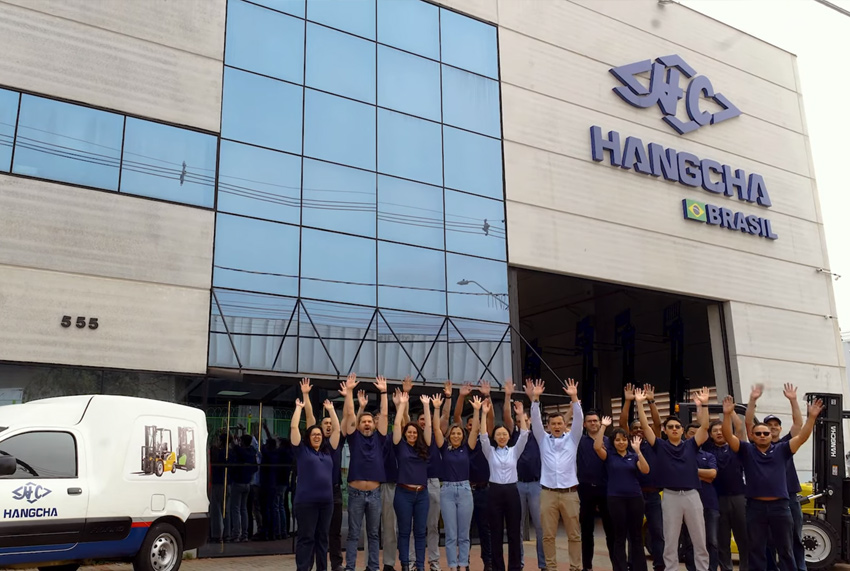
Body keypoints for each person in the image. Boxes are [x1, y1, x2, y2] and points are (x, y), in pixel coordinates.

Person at [723, 394, 823, 571]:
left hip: (780, 507)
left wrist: (812, 417)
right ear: (752, 436)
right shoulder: (746, 450)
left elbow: (801, 436)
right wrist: (726, 415)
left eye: (766, 433)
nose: (762, 435)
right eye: (759, 433)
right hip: (755, 508)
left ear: (771, 435)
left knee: (786, 549)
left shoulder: (782, 449)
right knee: (756, 549)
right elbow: (728, 436)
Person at [635, 386, 710, 571]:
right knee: (670, 540)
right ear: (665, 430)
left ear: (683, 430)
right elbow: (645, 426)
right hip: (670, 496)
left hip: (692, 495)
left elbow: (705, 427)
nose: (674, 429)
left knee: (700, 539)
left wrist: (704, 405)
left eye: (677, 427)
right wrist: (639, 403)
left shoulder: (691, 445)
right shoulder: (659, 445)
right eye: (670, 427)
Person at [746, 383, 806, 571]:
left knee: (794, 538)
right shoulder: (755, 447)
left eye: (775, 426)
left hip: (789, 498)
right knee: (766, 542)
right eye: (768, 426)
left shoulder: (786, 444)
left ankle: (799, 568)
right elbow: (748, 423)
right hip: (762, 502)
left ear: (780, 429)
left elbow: (798, 425)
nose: (771, 429)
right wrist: (752, 400)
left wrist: (793, 400)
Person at [527, 378, 583, 571]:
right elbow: (535, 420)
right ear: (549, 426)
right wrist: (535, 398)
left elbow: (579, 419)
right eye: (553, 424)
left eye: (560, 423)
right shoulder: (543, 440)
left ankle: (575, 567)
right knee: (548, 535)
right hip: (548, 493)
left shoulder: (573, 439)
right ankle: (551, 568)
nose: (557, 426)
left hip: (570, 493)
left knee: (574, 534)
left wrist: (574, 397)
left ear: (565, 424)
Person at [341, 374, 389, 571]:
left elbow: (384, 415)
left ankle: (373, 567)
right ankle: (350, 567)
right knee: (353, 534)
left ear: (374, 424)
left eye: (370, 421)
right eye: (364, 422)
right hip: (356, 493)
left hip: (375, 494)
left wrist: (384, 392)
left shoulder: (380, 438)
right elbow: (349, 414)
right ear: (359, 425)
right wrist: (349, 391)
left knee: (374, 534)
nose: (367, 424)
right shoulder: (354, 438)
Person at [593, 416, 650, 571]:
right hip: (615, 499)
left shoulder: (633, 456)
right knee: (619, 536)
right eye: (617, 440)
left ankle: (639, 568)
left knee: (636, 536)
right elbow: (597, 447)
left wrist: (638, 451)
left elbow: (646, 470)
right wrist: (603, 426)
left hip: (635, 498)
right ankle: (620, 568)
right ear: (613, 442)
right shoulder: (609, 456)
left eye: (624, 439)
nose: (621, 442)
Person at [479, 397, 529, 571]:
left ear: (509, 436)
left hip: (512, 492)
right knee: (496, 533)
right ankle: (498, 567)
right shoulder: (490, 452)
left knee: (514, 532)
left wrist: (520, 414)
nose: (501, 436)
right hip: (494, 493)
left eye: (504, 434)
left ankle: (515, 567)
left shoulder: (514, 451)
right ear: (494, 436)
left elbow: (524, 435)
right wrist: (484, 414)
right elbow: (483, 436)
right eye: (498, 434)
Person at [291, 398, 341, 571]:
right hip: (306, 503)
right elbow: (294, 428)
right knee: (306, 538)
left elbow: (337, 430)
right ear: (308, 437)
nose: (317, 436)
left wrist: (331, 410)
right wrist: (299, 408)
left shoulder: (328, 451)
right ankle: (303, 568)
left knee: (323, 538)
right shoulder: (302, 451)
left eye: (319, 434)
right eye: (313, 434)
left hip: (326, 503)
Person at [619, 384, 664, 571]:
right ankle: (633, 564)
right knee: (634, 532)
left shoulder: (654, 443)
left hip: (653, 495)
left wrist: (650, 401)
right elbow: (622, 423)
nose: (639, 430)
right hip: (634, 495)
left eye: (641, 427)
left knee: (657, 531)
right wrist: (628, 401)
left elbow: (657, 424)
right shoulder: (627, 445)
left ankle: (659, 564)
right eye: (635, 428)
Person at [434, 393, 480, 571]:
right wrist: (437, 408)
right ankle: (453, 566)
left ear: (462, 435)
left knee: (464, 534)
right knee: (451, 533)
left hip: (465, 490)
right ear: (449, 435)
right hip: (447, 490)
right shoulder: (444, 449)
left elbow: (475, 430)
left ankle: (463, 564)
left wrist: (477, 411)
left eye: (458, 433)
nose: (455, 436)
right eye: (453, 433)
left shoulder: (467, 448)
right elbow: (437, 429)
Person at [302, 378, 345, 568]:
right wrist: (305, 395)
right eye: (324, 423)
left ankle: (335, 564)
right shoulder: (314, 444)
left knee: (334, 532)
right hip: (314, 493)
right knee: (314, 533)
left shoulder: (334, 444)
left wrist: (331, 411)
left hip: (333, 492)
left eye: (330, 423)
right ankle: (309, 565)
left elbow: (338, 427)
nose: (328, 425)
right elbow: (309, 418)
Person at [502, 380, 545, 571]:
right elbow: (506, 416)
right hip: (517, 485)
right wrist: (507, 396)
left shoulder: (537, 435)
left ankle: (543, 564)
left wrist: (533, 397)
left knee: (540, 527)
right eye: (519, 420)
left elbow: (536, 416)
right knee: (516, 527)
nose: (522, 423)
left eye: (525, 420)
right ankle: (517, 564)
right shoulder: (513, 434)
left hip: (536, 485)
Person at [392, 391, 434, 571]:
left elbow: (429, 426)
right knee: (404, 531)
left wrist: (426, 405)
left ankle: (420, 566)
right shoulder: (400, 446)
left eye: (414, 432)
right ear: (405, 433)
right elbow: (396, 424)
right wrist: (401, 405)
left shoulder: (424, 446)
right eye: (409, 432)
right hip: (403, 493)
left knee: (420, 532)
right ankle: (405, 565)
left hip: (422, 494)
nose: (412, 434)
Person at [456, 382, 496, 571]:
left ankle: (488, 562)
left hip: (484, 490)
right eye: (470, 424)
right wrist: (461, 396)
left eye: (477, 424)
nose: (474, 427)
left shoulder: (486, 440)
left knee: (485, 528)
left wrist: (487, 396)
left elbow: (491, 418)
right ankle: (464, 562)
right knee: (465, 530)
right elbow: (456, 416)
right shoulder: (463, 440)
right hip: (466, 489)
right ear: (467, 427)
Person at [702, 417, 748, 571]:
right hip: (718, 499)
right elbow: (702, 425)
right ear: (710, 434)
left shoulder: (736, 447)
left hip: (739, 497)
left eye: (722, 430)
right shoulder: (707, 449)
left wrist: (729, 412)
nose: (719, 433)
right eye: (715, 431)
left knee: (744, 537)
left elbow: (740, 427)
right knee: (722, 540)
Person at [577, 409, 614, 571]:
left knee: (611, 530)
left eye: (595, 420)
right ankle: (587, 567)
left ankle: (617, 565)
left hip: (606, 489)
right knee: (586, 531)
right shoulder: (579, 441)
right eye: (589, 421)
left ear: (600, 423)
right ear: (584, 424)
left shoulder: (610, 441)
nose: (593, 423)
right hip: (585, 489)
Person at [682, 423, 719, 571]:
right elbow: (678, 474)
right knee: (690, 541)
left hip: (709, 503)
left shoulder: (709, 455)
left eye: (699, 433)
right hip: (686, 503)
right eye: (692, 433)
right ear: (686, 435)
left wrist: (690, 471)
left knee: (712, 541)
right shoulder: (680, 454)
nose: (695, 436)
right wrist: (703, 474)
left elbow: (712, 475)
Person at [228, 433, 258, 542]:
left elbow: (233, 444)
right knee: (244, 509)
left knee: (235, 508)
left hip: (238, 482)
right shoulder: (252, 452)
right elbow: (255, 468)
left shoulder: (240, 451)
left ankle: (236, 533)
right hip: (248, 482)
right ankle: (245, 534)